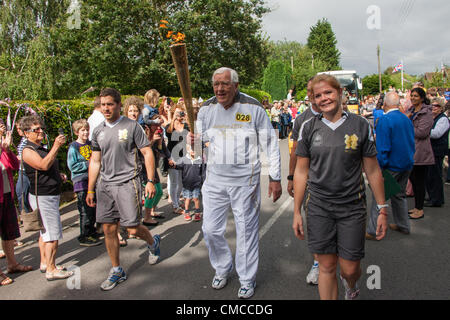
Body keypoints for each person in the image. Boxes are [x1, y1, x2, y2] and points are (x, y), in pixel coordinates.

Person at [293, 74, 387, 300]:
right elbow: (301, 171)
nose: (324, 98)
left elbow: (373, 170)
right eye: (318, 95)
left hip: (352, 207)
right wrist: (296, 211)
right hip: (318, 207)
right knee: (326, 266)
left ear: (340, 93)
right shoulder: (308, 127)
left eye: (328, 92)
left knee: (349, 269)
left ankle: (351, 286)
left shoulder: (361, 125)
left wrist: (382, 208)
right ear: (313, 100)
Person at [196, 67, 282, 299]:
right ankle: (223, 267)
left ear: (235, 85)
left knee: (246, 231)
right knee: (210, 230)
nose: (220, 88)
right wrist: (193, 142)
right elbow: (198, 144)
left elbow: (271, 144)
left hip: (245, 180)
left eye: (225, 84)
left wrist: (275, 177)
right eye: (216, 84)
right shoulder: (206, 108)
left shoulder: (252, 107)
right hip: (214, 179)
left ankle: (246, 278)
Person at [86, 88, 161, 291]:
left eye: (110, 104)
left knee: (132, 228)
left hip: (129, 183)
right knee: (109, 229)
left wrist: (151, 181)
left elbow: (147, 153)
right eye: (103, 105)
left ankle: (152, 241)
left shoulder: (132, 126)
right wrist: (90, 189)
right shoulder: (98, 130)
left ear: (119, 105)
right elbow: (95, 160)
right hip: (105, 186)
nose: (106, 108)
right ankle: (117, 269)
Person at [21, 115, 74, 281]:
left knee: (45, 233)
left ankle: (46, 263)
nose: (41, 131)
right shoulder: (28, 150)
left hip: (50, 194)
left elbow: (46, 169)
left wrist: (59, 176)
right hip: (43, 197)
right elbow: (43, 165)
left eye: (41, 128)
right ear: (25, 133)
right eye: (35, 130)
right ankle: (51, 269)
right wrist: (56, 146)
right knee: (52, 234)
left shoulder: (39, 147)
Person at [366, 92, 415, 238]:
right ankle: (403, 224)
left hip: (391, 165)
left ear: (385, 104)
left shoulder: (385, 120)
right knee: (399, 195)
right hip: (406, 162)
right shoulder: (406, 119)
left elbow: (383, 147)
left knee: (379, 196)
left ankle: (374, 229)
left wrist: (379, 168)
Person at [288, 77, 321, 285]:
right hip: (311, 182)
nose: (312, 94)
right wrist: (291, 177)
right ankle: (318, 263)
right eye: (309, 91)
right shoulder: (302, 120)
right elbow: (295, 153)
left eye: (316, 90)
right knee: (316, 224)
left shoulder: (346, 118)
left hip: (341, 186)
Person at [0, 120, 33, 286]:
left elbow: (15, 164)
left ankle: (12, 264)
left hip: (6, 195)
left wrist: (6, 149)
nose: (2, 130)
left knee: (8, 232)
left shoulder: (3, 148)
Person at [67, 119, 102, 247]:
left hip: (93, 180)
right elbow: (72, 166)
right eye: (82, 130)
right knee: (85, 209)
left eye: (87, 130)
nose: (85, 132)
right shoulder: (74, 147)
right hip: (81, 181)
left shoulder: (91, 143)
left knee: (93, 208)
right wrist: (88, 163)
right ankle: (84, 235)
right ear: (77, 132)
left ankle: (92, 231)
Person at [406, 87, 434, 220]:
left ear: (422, 98)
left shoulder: (426, 113)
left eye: (416, 96)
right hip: (411, 151)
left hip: (421, 153)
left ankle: (420, 209)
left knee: (419, 182)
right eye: (412, 96)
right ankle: (417, 207)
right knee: (413, 180)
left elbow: (422, 133)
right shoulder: (410, 110)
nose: (413, 98)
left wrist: (407, 124)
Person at [142, 115, 172, 226]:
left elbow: (163, 149)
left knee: (159, 192)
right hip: (144, 167)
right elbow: (143, 151)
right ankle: (147, 217)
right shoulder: (143, 134)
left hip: (153, 166)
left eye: (159, 124)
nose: (158, 127)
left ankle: (152, 211)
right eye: (156, 124)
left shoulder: (158, 134)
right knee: (151, 192)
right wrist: (152, 141)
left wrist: (169, 157)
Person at [425, 97, 450, 207]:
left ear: (441, 108)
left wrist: (424, 130)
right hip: (431, 150)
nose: (434, 108)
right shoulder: (433, 118)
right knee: (430, 175)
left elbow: (436, 133)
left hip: (437, 151)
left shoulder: (443, 119)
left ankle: (436, 199)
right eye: (433, 105)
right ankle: (432, 196)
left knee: (435, 175)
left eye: (437, 106)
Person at [172, 143, 206, 222]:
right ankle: (186, 212)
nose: (193, 151)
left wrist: (204, 181)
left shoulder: (200, 160)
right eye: (191, 149)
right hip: (186, 184)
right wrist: (173, 165)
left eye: (195, 149)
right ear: (187, 150)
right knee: (187, 199)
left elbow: (203, 172)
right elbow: (178, 166)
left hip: (197, 184)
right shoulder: (184, 159)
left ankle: (197, 212)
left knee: (196, 198)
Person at [165, 103, 189, 214]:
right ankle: (175, 206)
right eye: (177, 112)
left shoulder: (186, 125)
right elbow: (168, 132)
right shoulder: (170, 127)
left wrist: (187, 119)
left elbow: (192, 135)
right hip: (172, 157)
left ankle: (177, 201)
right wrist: (173, 118)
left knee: (181, 182)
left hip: (183, 157)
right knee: (174, 182)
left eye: (181, 112)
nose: (180, 114)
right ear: (174, 113)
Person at [15, 118, 32, 214]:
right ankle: (25, 215)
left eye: (19, 128)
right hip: (22, 170)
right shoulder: (23, 140)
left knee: (24, 193)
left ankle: (30, 216)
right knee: (20, 192)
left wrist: (20, 158)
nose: (18, 131)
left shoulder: (28, 140)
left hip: (28, 170)